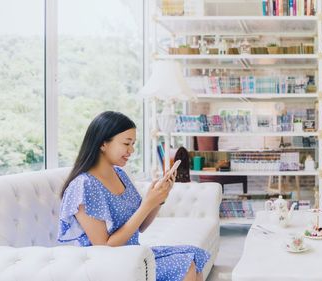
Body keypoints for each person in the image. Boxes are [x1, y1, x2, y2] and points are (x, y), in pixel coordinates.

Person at [57, 111, 209, 281]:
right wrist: (146, 204)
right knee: (184, 266)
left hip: (132, 254)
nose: (131, 150)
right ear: (102, 144)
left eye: (133, 144)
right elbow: (104, 247)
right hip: (107, 263)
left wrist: (158, 198)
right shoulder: (84, 185)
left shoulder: (119, 174)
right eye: (126, 143)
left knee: (193, 256)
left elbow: (140, 226)